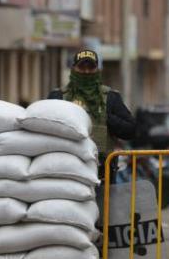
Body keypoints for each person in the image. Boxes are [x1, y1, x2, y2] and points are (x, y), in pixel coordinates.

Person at [49, 49, 136, 183]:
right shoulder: (59, 96)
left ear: (97, 70)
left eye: (91, 67)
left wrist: (107, 119)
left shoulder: (111, 97)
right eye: (82, 67)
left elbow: (131, 130)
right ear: (73, 69)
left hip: (102, 172)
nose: (86, 71)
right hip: (66, 168)